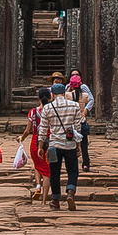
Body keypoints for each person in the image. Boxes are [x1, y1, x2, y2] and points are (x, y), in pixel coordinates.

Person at [38, 82, 83, 210]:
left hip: (54, 144)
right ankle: (70, 192)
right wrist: (78, 145)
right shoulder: (74, 106)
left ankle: (55, 199)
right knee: (73, 170)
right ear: (64, 93)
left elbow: (43, 129)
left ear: (52, 94)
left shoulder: (48, 108)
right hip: (69, 144)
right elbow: (77, 128)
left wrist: (41, 146)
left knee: (54, 172)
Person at [26, 87, 52, 200]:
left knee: (37, 164)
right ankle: (44, 199)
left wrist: (21, 138)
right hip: (49, 141)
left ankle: (37, 186)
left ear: (38, 98)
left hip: (35, 141)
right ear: (50, 98)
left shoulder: (33, 112)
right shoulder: (52, 111)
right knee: (47, 171)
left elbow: (28, 130)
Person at [69, 71, 95, 171]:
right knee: (82, 143)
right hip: (79, 119)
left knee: (74, 143)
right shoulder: (84, 95)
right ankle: (85, 164)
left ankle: (79, 163)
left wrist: (86, 110)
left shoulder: (68, 93)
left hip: (73, 120)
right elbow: (90, 99)